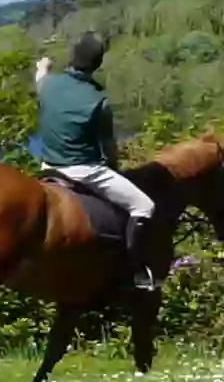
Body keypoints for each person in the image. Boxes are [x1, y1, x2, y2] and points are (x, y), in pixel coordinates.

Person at [33, 32, 157, 291]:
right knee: (144, 206)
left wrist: (43, 66)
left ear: (71, 57)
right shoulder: (98, 101)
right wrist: (115, 170)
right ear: (97, 64)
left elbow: (40, 79)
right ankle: (136, 271)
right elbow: (108, 148)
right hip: (85, 171)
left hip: (48, 167)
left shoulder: (48, 85)